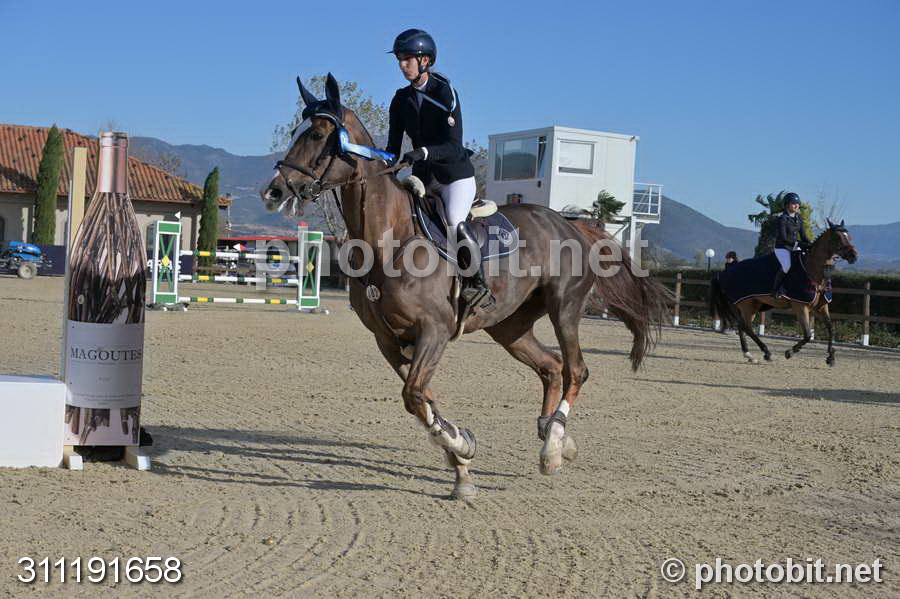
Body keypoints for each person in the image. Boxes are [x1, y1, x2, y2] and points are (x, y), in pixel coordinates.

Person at [384, 28, 489, 306]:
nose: (402, 65)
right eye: (399, 59)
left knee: (454, 220)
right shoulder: (400, 99)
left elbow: (454, 146)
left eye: (407, 59)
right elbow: (393, 148)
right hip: (423, 179)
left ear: (425, 60)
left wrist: (423, 152)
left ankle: (477, 283)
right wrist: (380, 165)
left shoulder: (445, 93)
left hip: (454, 176)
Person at [772, 192, 811, 296]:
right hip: (782, 247)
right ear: (787, 205)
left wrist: (812, 244)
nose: (796, 206)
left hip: (794, 246)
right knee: (787, 266)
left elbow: (803, 236)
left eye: (797, 204)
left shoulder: (799, 218)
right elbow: (784, 238)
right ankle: (776, 290)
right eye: (793, 203)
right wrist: (799, 244)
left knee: (805, 262)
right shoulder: (782, 218)